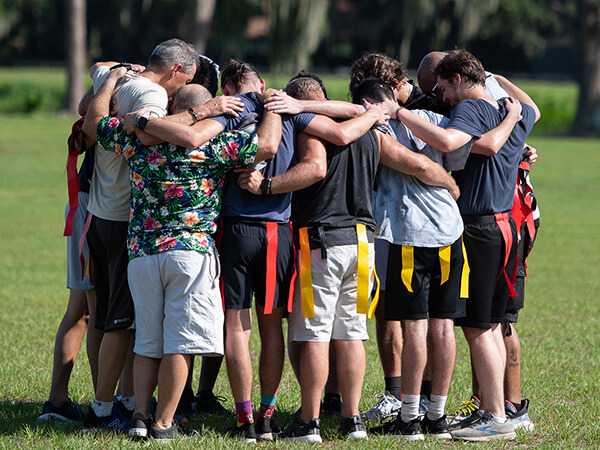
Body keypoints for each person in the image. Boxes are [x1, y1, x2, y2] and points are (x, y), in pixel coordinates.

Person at [244, 77, 459, 443]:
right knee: (351, 334)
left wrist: (265, 185)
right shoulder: (371, 133)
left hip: (320, 239)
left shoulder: (307, 129)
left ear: (297, 104)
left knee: (313, 333)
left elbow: (314, 167)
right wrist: (451, 186)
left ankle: (309, 422)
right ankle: (352, 419)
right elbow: (418, 164)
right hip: (363, 243)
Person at [82, 66, 282, 441]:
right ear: (209, 111)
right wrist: (273, 105)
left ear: (173, 105)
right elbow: (268, 146)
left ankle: (140, 417)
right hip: (190, 253)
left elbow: (94, 125)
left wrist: (109, 84)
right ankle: (163, 424)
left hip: (142, 252)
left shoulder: (140, 139)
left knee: (147, 342)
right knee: (181, 343)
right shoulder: (214, 145)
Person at [394, 49, 540, 441]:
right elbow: (534, 109)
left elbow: (449, 139)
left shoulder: (472, 111)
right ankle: (497, 411)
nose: (440, 96)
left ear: (458, 78)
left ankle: (493, 415)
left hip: (477, 227)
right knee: (490, 324)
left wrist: (398, 114)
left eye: (442, 87)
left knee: (477, 327)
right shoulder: (512, 111)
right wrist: (499, 81)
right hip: (504, 225)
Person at [81, 38, 199, 433]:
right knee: (122, 321)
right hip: (125, 218)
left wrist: (113, 76)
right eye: (184, 81)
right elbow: (147, 135)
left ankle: (120, 400)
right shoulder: (151, 94)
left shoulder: (115, 78)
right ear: (176, 71)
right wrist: (201, 112)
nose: (179, 91)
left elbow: (90, 104)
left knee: (106, 315)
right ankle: (104, 409)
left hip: (98, 212)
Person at [38, 147, 103, 423]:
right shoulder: (104, 103)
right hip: (93, 206)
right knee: (95, 308)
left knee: (82, 309)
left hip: (94, 202)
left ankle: (58, 402)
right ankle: (105, 405)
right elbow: (87, 118)